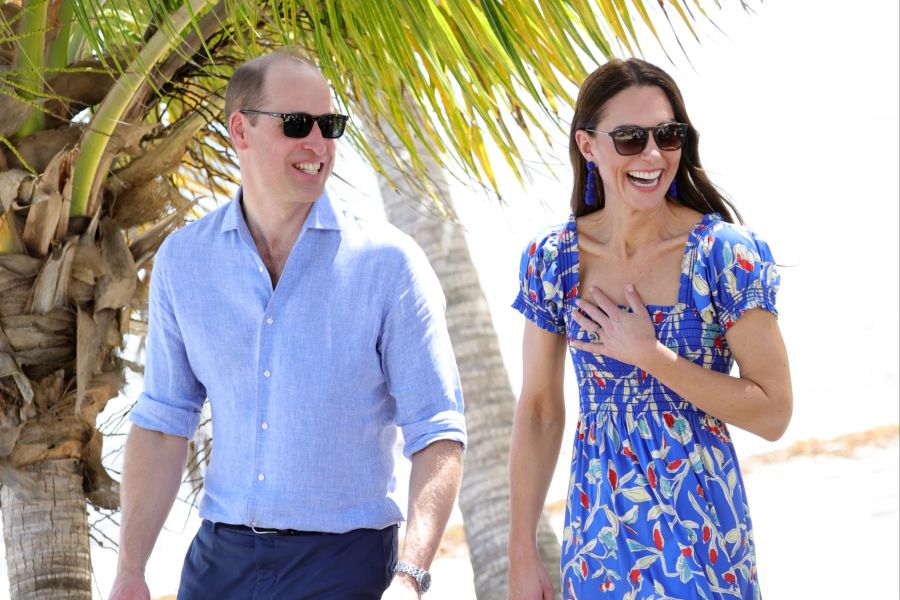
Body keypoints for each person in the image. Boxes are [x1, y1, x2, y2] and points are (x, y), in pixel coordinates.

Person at [109, 49, 466, 600]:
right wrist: (130, 571)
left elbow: (438, 432)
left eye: (331, 126)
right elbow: (163, 422)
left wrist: (411, 577)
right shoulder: (185, 261)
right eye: (298, 125)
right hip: (218, 565)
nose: (319, 145)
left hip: (349, 566)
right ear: (241, 130)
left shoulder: (389, 264)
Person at [508, 58, 792, 600]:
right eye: (630, 139)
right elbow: (540, 410)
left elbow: (774, 411)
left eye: (667, 135)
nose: (653, 156)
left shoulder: (724, 255)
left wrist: (652, 356)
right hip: (597, 535)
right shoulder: (554, 261)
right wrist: (522, 552)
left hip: (703, 538)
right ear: (588, 146)